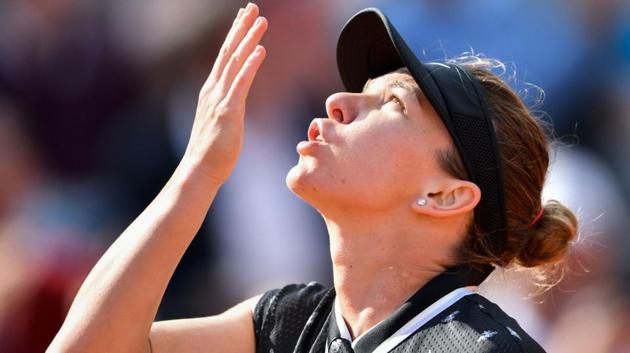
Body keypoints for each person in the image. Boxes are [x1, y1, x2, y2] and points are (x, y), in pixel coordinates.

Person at [47, 4, 577, 353]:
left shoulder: (476, 348)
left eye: (390, 103)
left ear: (443, 195)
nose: (338, 101)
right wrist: (198, 173)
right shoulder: (292, 322)